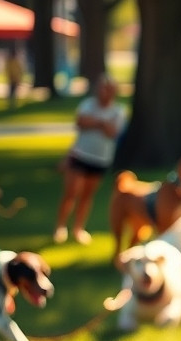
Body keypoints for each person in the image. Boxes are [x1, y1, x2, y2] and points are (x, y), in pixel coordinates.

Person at [53, 75, 128, 245]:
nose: (103, 92)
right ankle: (60, 227)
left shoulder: (119, 110)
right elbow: (81, 122)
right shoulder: (87, 104)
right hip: (80, 154)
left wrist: (96, 123)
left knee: (87, 195)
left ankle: (78, 228)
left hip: (101, 158)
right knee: (71, 192)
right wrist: (102, 123)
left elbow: (113, 132)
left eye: (107, 89)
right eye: (100, 88)